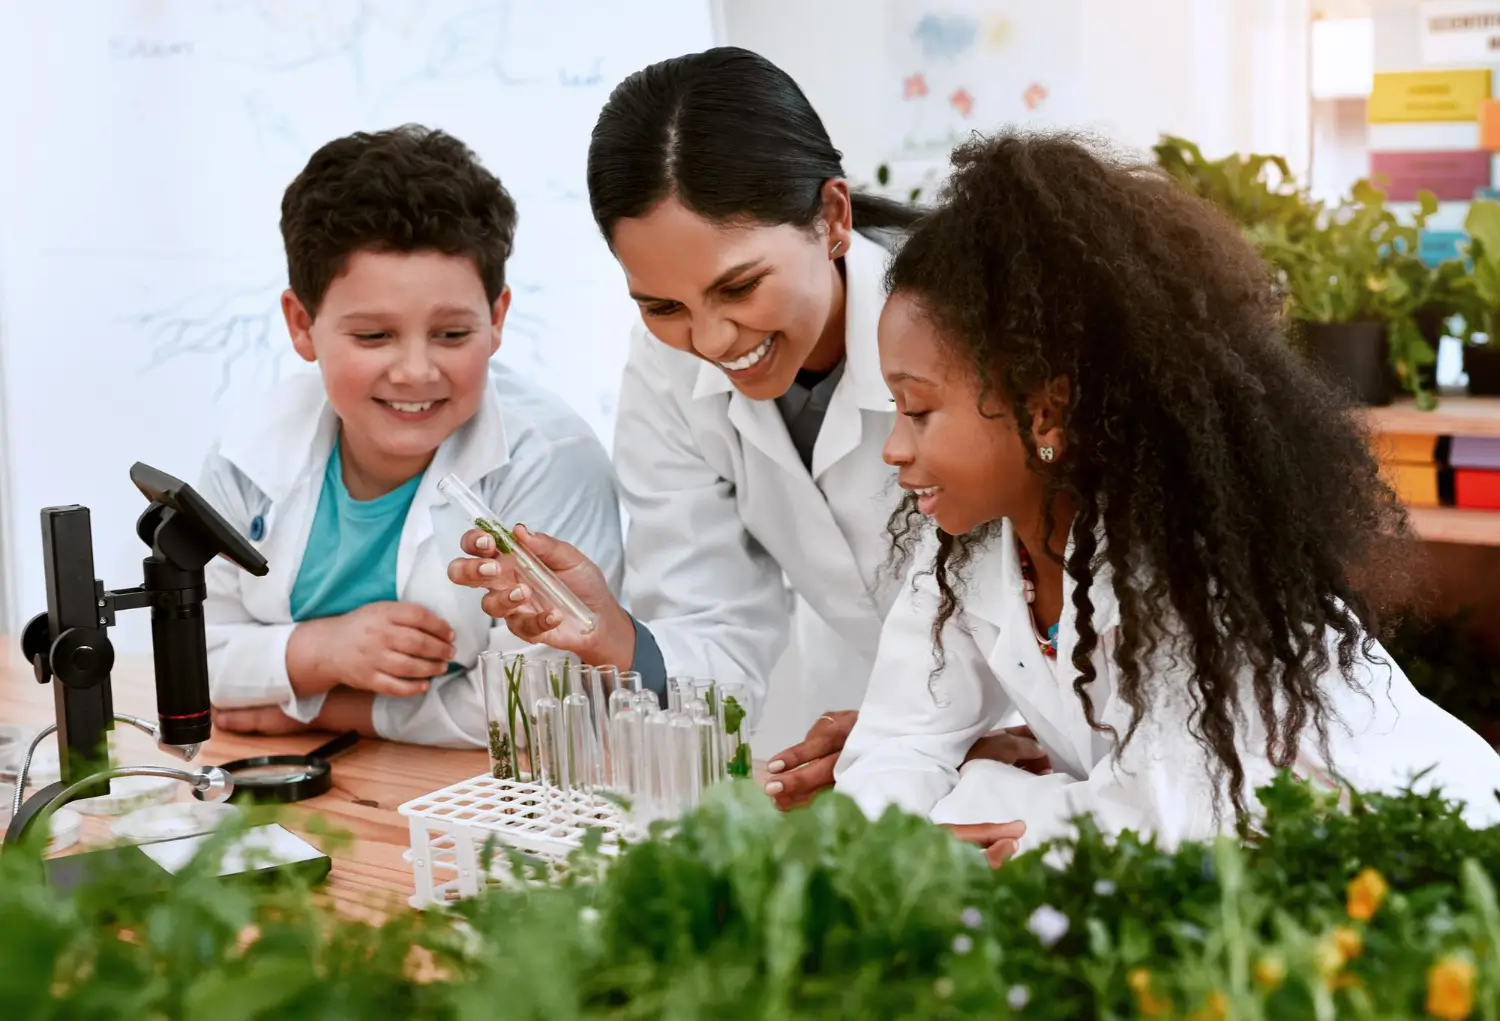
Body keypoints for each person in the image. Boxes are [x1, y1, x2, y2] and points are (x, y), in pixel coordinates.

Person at [833, 131, 1500, 862]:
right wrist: (913, 827)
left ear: (1045, 409)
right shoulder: (967, 553)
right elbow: (892, 746)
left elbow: (1155, 821)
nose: (894, 446)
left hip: (1427, 861)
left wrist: (982, 783)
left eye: (919, 409)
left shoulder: (1194, 565)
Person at [445, 47, 1049, 805]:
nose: (712, 341)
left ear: (831, 217)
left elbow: (1046, 592)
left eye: (739, 286)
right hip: (875, 753)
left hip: (1049, 747)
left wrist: (945, 738)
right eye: (663, 306)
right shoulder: (666, 372)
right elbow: (715, 620)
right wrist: (617, 637)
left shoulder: (967, 327)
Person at [199, 125, 624, 746]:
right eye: (373, 337)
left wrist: (322, 710)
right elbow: (187, 660)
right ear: (301, 324)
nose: (416, 371)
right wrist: (320, 653)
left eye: (452, 335)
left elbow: (542, 704)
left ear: (497, 318)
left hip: (481, 802)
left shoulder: (550, 461)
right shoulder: (249, 454)